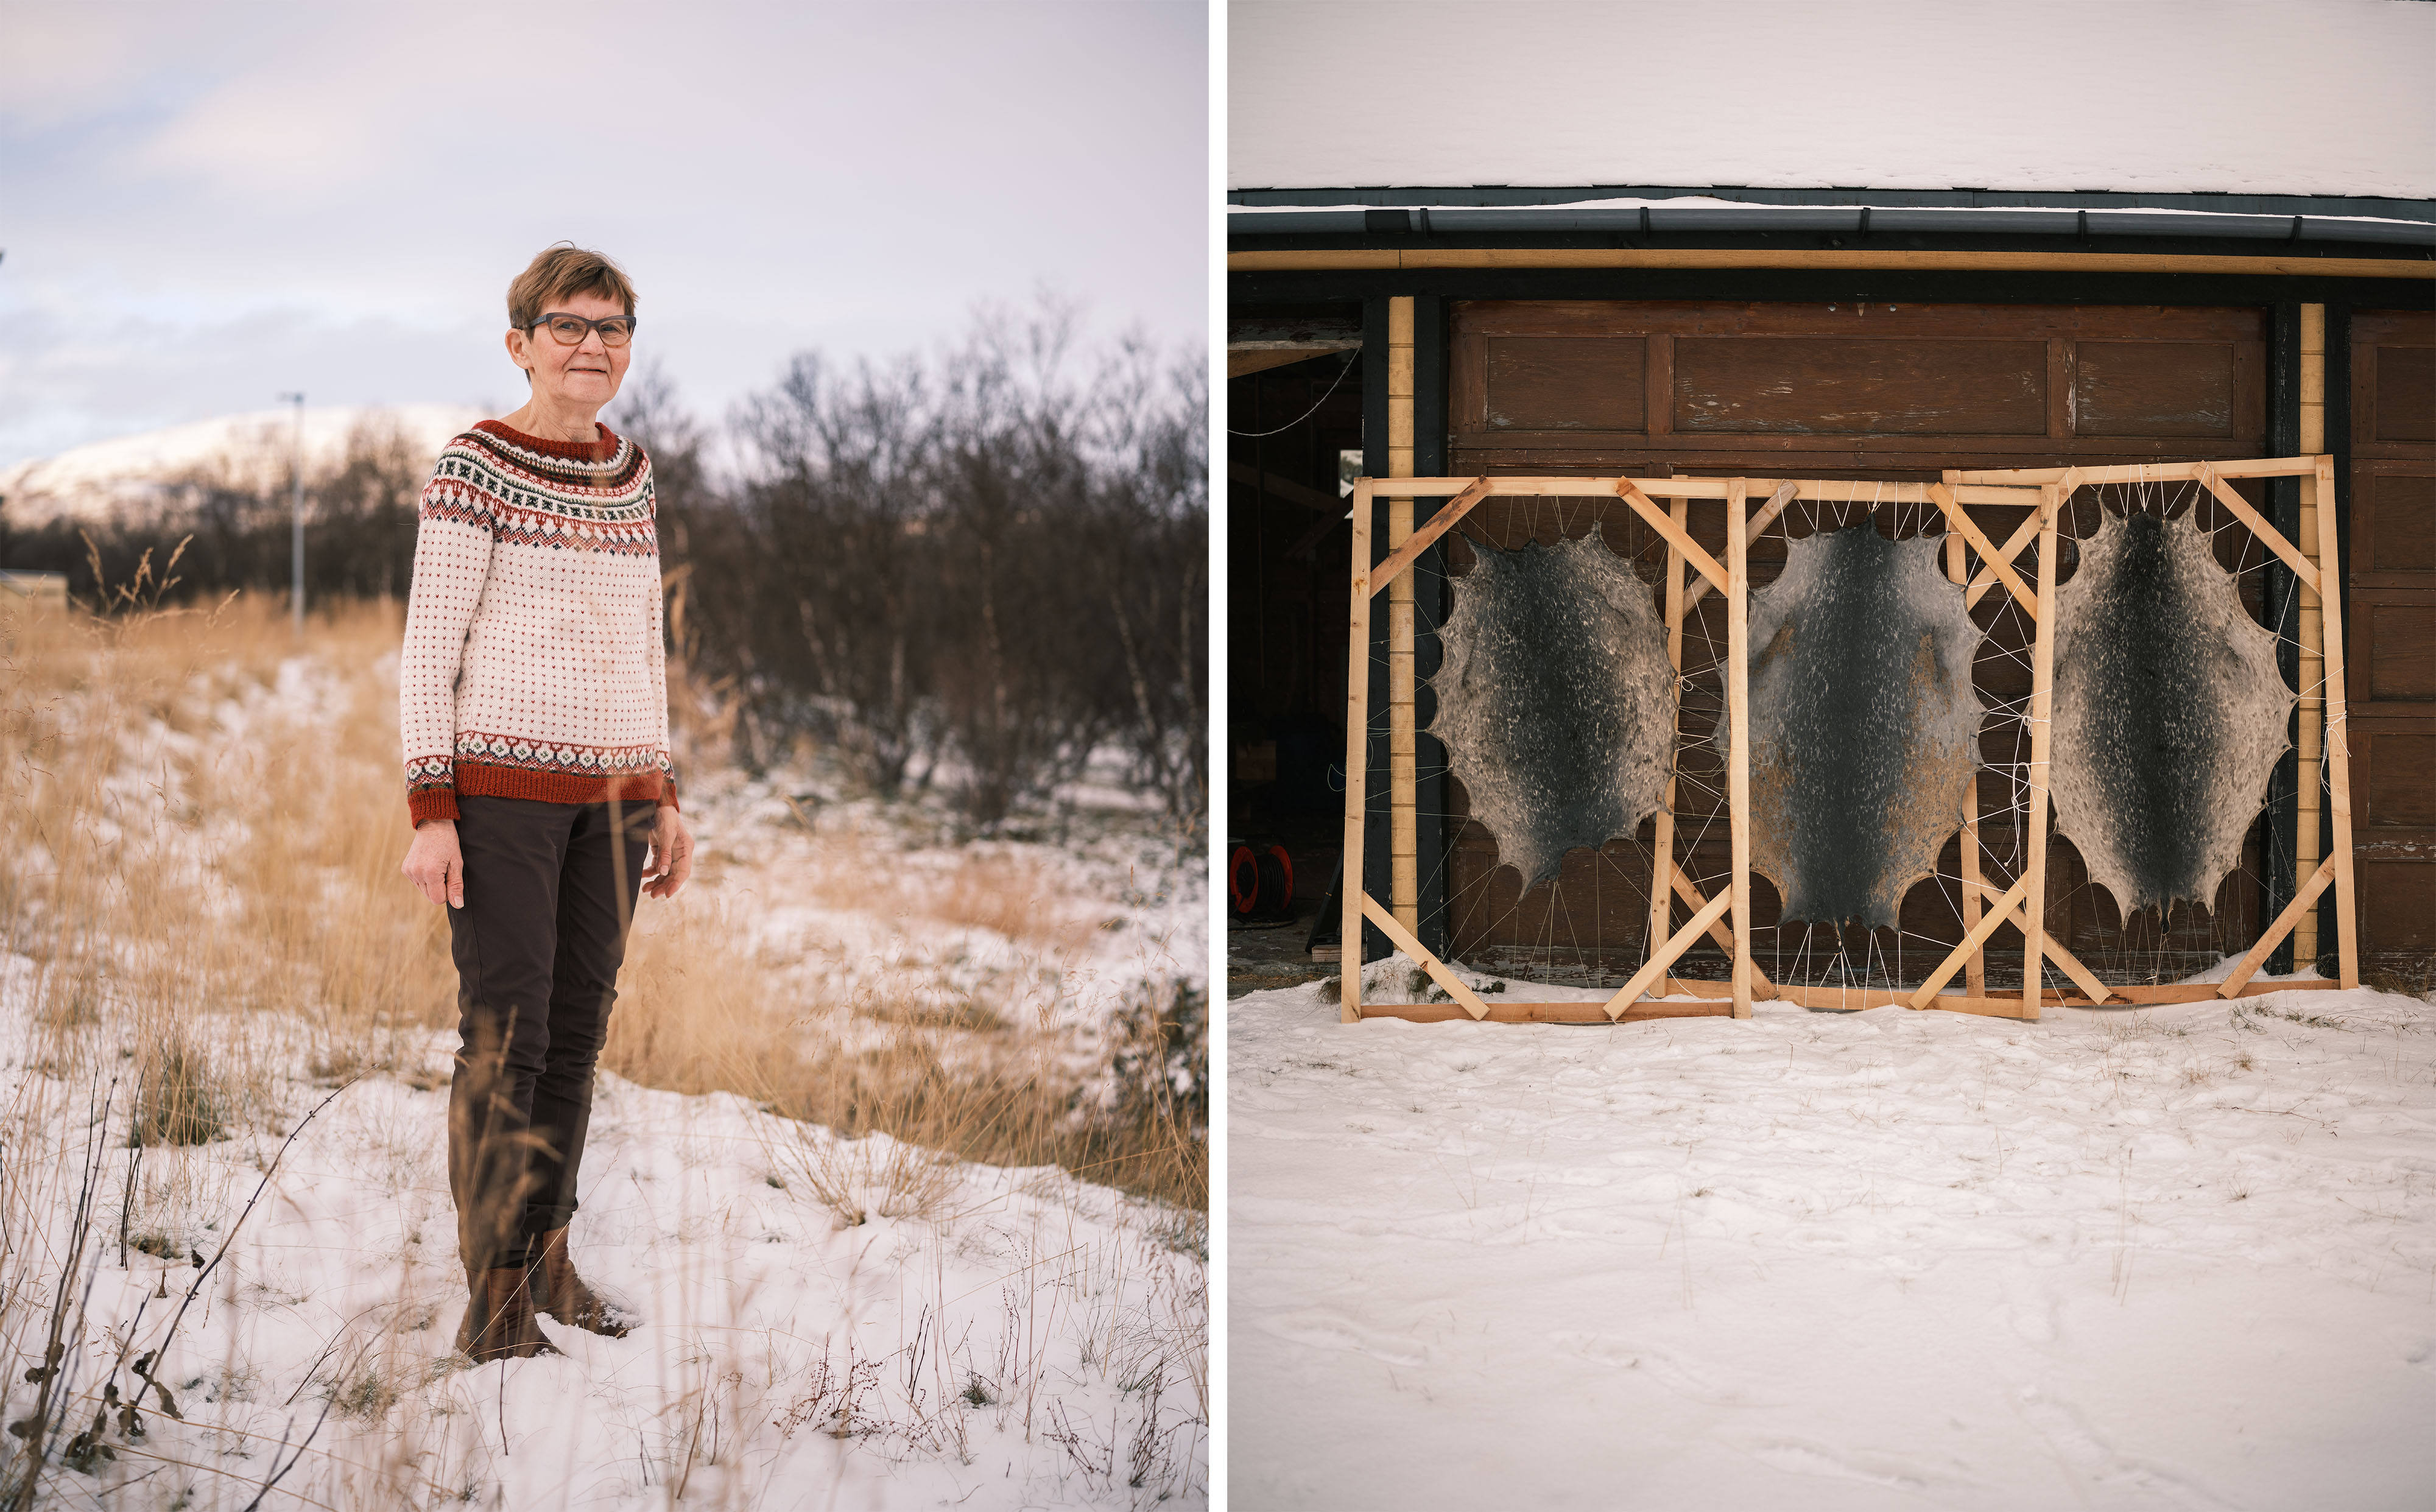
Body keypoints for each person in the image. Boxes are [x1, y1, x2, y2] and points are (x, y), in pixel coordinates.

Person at [398, 244, 695, 1362]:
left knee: (577, 1032)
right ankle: (495, 1301)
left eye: (610, 328)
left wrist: (662, 792)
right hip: (503, 799)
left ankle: (548, 1256)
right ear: (520, 342)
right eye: (567, 327)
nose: (591, 347)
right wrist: (432, 808)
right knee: (505, 1036)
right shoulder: (474, 465)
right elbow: (432, 647)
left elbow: (641, 647)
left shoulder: (634, 472)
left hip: (615, 801)